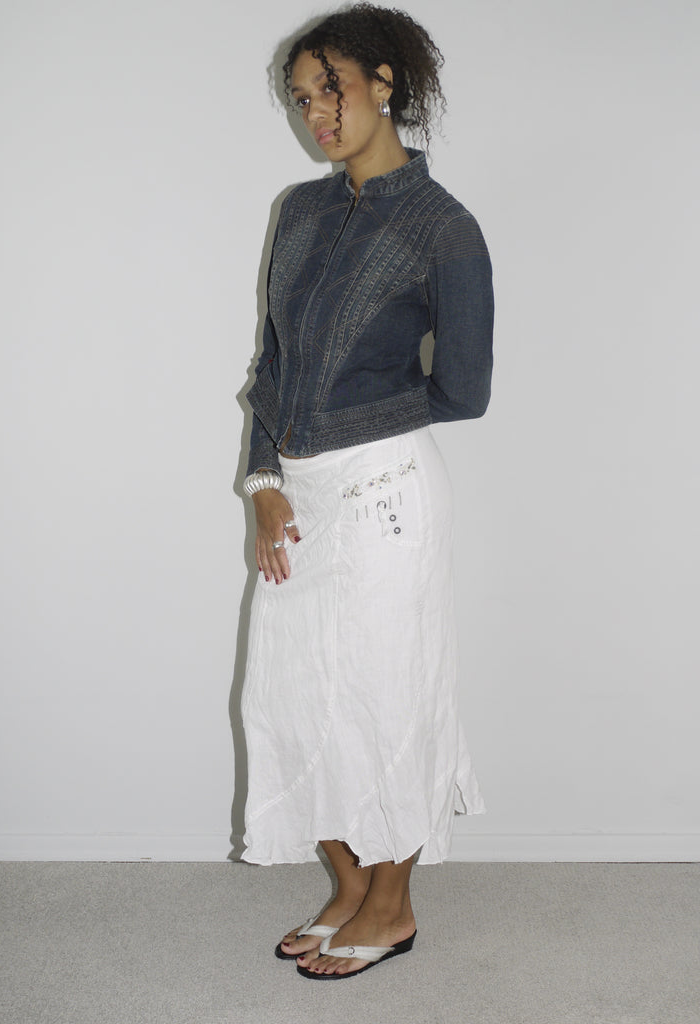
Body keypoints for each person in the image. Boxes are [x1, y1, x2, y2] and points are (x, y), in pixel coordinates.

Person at [239, 3, 494, 979]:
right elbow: (269, 364)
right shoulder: (299, 214)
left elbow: (462, 389)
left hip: (386, 495)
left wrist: (357, 429)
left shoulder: (444, 227)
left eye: (330, 89)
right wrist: (264, 477)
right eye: (302, 100)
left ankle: (392, 906)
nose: (317, 114)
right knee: (299, 697)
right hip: (293, 493)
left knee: (388, 698)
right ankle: (347, 882)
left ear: (383, 82)